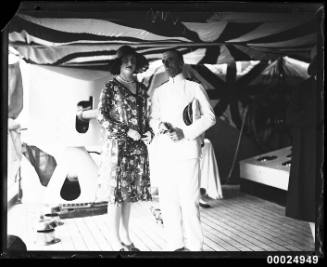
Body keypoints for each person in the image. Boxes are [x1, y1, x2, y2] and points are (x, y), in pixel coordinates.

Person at [149, 49, 216, 251]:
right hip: (166, 153)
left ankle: (196, 247)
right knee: (169, 203)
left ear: (180, 62)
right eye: (163, 61)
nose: (166, 65)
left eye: (170, 60)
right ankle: (174, 246)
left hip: (187, 152)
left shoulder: (194, 88)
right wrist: (158, 126)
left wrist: (185, 133)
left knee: (189, 202)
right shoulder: (159, 91)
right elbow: (154, 118)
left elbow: (210, 117)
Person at [97, 45, 152, 251]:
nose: (130, 63)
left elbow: (147, 118)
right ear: (118, 63)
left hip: (137, 148)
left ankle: (127, 238)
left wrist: (149, 132)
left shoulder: (142, 89)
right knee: (116, 196)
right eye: (126, 60)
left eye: (133, 60)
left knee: (129, 196)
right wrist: (126, 130)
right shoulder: (110, 87)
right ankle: (115, 240)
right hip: (117, 147)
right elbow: (102, 116)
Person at [285, 56, 322, 243]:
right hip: (310, 154)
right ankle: (317, 240)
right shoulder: (302, 89)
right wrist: (316, 115)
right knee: (309, 199)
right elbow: (290, 117)